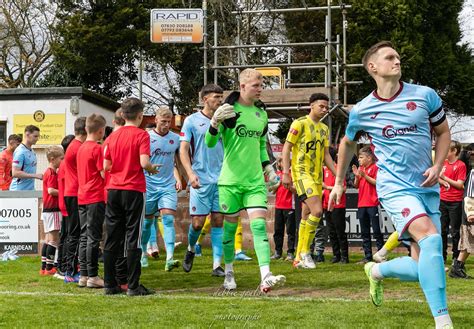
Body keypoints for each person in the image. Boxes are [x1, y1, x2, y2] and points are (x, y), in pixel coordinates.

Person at [329, 41, 452, 328]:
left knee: (426, 265)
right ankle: (443, 322)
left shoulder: (425, 96)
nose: (397, 61)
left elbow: (443, 133)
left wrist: (438, 165)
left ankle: (377, 270)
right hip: (394, 187)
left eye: (397, 56)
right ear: (373, 67)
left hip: (427, 186)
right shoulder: (362, 109)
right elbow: (347, 143)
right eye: (389, 57)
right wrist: (337, 181)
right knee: (432, 238)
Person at [205, 68, 285, 292]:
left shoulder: (261, 114)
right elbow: (210, 144)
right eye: (256, 86)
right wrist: (213, 123)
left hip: (254, 182)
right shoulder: (228, 111)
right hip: (230, 182)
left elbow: (261, 146)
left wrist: (267, 168)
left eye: (261, 85)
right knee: (230, 230)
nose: (260, 89)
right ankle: (228, 272)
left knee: (259, 226)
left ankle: (266, 275)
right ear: (242, 86)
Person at [103, 97, 159, 296]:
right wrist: (152, 169)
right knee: (133, 237)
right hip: (134, 189)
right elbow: (144, 163)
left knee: (112, 237)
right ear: (140, 115)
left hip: (113, 190)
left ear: (122, 115)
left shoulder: (111, 137)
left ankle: (110, 285)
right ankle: (133, 286)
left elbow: (106, 167)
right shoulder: (142, 135)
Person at [281, 93, 337, 269]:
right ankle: (306, 252)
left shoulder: (324, 129)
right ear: (311, 105)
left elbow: (326, 155)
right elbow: (286, 148)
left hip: (317, 177)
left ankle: (298, 258)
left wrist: (338, 176)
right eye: (321, 106)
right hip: (301, 173)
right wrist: (285, 172)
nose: (324, 109)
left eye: (326, 107)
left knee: (306, 216)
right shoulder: (299, 123)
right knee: (318, 211)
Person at [180, 84, 225, 276]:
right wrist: (190, 174)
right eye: (216, 97)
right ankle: (190, 248)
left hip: (222, 178)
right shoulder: (191, 121)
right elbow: (183, 150)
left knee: (218, 220)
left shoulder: (226, 121)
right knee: (197, 223)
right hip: (200, 177)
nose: (220, 100)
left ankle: (217, 265)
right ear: (205, 99)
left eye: (221, 97)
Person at [140, 106, 182, 271]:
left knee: (169, 219)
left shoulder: (175, 139)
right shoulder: (146, 137)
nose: (165, 124)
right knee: (147, 223)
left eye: (168, 121)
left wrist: (183, 179)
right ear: (156, 120)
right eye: (163, 121)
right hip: (149, 185)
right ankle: (143, 253)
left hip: (167, 186)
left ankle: (170, 258)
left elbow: (177, 162)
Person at [77, 114, 107, 288]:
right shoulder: (96, 149)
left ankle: (84, 275)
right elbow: (103, 172)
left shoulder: (81, 147)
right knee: (93, 237)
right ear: (101, 131)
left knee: (84, 237)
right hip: (95, 196)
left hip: (82, 196)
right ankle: (93, 276)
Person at [63, 117, 87, 283]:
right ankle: (70, 271)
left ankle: (71, 269)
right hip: (74, 193)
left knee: (74, 233)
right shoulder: (78, 147)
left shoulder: (75, 146)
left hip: (72, 192)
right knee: (75, 233)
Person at [352, 146, 384, 263]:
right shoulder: (361, 169)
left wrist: (365, 176)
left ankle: (381, 255)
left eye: (361, 157)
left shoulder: (376, 168)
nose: (359, 160)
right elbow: (356, 186)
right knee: (364, 232)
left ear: (369, 158)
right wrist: (357, 176)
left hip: (373, 204)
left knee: (376, 231)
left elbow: (377, 183)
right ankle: (367, 256)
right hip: (361, 204)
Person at [439, 140, 466, 263]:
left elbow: (460, 185)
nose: (444, 151)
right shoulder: (443, 163)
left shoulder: (461, 165)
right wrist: (442, 181)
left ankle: (456, 258)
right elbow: (437, 177)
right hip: (442, 201)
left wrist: (445, 178)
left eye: (447, 149)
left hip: (455, 202)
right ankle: (442, 257)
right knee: (442, 231)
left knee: (455, 232)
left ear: (454, 151)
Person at [449, 144, 474, 279]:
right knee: (468, 240)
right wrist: (470, 213)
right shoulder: (473, 174)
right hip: (471, 212)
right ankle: (457, 267)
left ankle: (457, 267)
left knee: (469, 242)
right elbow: (468, 196)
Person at [39, 146, 64, 276]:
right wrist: (64, 193)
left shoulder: (47, 171)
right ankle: (50, 268)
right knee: (54, 239)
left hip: (47, 209)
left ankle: (44, 267)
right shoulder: (52, 172)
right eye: (61, 158)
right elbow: (51, 190)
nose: (63, 161)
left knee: (48, 239)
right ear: (53, 159)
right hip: (53, 209)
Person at [323, 147, 349, 263]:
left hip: (338, 206)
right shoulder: (324, 170)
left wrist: (326, 187)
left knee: (340, 232)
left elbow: (342, 188)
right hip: (326, 205)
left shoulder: (338, 170)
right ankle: (336, 255)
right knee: (331, 232)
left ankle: (344, 257)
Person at [55, 134, 75, 280]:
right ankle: (64, 267)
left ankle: (61, 266)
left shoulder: (63, 163)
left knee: (65, 235)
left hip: (64, 201)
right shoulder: (67, 163)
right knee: (68, 236)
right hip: (67, 202)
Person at [271, 157, 296, 261]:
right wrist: (277, 184)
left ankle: (290, 252)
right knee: (278, 231)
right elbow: (271, 190)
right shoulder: (277, 174)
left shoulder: (292, 174)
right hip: (278, 206)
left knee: (290, 231)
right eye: (278, 162)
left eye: (280, 161)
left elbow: (296, 190)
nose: (279, 163)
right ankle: (278, 252)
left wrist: (288, 185)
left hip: (290, 206)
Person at [10, 125, 42, 191]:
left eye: (38, 136)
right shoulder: (20, 152)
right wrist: (35, 176)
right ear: (27, 134)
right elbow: (15, 173)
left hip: (30, 189)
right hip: (18, 190)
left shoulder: (32, 151)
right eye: (35, 136)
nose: (37, 139)